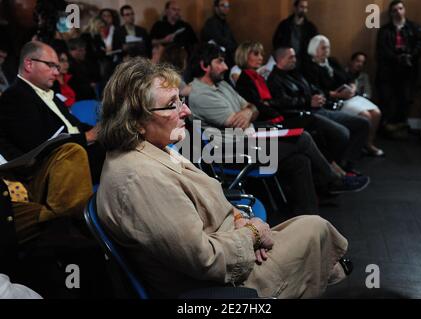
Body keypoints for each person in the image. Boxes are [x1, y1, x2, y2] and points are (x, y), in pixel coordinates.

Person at [97, 57, 351, 298]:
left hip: (235, 248)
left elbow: (210, 203)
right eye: (172, 104)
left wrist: (241, 219)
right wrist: (252, 233)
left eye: (180, 101)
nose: (185, 110)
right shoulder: (141, 179)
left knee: (310, 224)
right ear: (136, 121)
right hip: (226, 285)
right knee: (315, 229)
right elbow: (206, 260)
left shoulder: (155, 148)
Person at [189, 43, 370, 213]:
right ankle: (333, 180)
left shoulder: (221, 84)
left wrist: (248, 111)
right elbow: (234, 121)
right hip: (231, 150)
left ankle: (309, 219)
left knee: (300, 160)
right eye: (219, 62)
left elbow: (252, 106)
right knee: (302, 138)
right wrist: (248, 111)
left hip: (248, 139)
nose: (226, 66)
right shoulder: (200, 94)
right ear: (205, 65)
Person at [0, 41, 104, 183]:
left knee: (120, 144)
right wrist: (87, 137)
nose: (57, 72)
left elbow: (75, 125)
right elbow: (36, 148)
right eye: (50, 65)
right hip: (56, 167)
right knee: (121, 156)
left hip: (79, 153)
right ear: (29, 64)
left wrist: (99, 131)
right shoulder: (14, 96)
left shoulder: (49, 92)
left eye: (57, 67)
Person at [267, 47, 373, 164]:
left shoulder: (296, 73)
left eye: (294, 56)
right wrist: (308, 101)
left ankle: (345, 164)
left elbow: (314, 88)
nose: (295, 60)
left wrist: (320, 96)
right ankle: (338, 168)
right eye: (291, 57)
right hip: (305, 115)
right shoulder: (274, 79)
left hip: (319, 109)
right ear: (281, 59)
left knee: (363, 123)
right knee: (343, 133)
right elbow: (282, 102)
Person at [304, 35, 383, 158]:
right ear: (314, 48)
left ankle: (368, 143)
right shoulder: (309, 67)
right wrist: (336, 94)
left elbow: (348, 77)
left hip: (349, 95)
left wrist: (352, 87)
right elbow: (315, 89)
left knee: (376, 112)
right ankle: (360, 145)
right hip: (334, 99)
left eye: (328, 48)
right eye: (323, 48)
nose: (326, 50)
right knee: (365, 116)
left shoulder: (332, 61)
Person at [376, 0, 421, 139]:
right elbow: (382, 50)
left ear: (404, 9)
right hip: (388, 71)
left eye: (401, 8)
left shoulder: (414, 28)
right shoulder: (385, 30)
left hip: (407, 71)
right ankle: (384, 128)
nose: (398, 12)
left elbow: (420, 45)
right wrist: (396, 57)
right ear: (391, 13)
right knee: (386, 99)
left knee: (404, 99)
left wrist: (410, 56)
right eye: (395, 10)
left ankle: (399, 128)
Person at [272, 0, 318, 71]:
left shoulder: (310, 27)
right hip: (287, 62)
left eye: (306, 8)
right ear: (295, 8)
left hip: (304, 64)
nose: (304, 10)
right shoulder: (284, 25)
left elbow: (316, 44)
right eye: (301, 7)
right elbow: (276, 43)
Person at [201, 0, 237, 68]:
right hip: (215, 59)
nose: (226, 8)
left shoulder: (226, 24)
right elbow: (220, 40)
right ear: (216, 8)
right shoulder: (211, 23)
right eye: (223, 5)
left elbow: (232, 41)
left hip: (227, 57)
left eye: (227, 6)